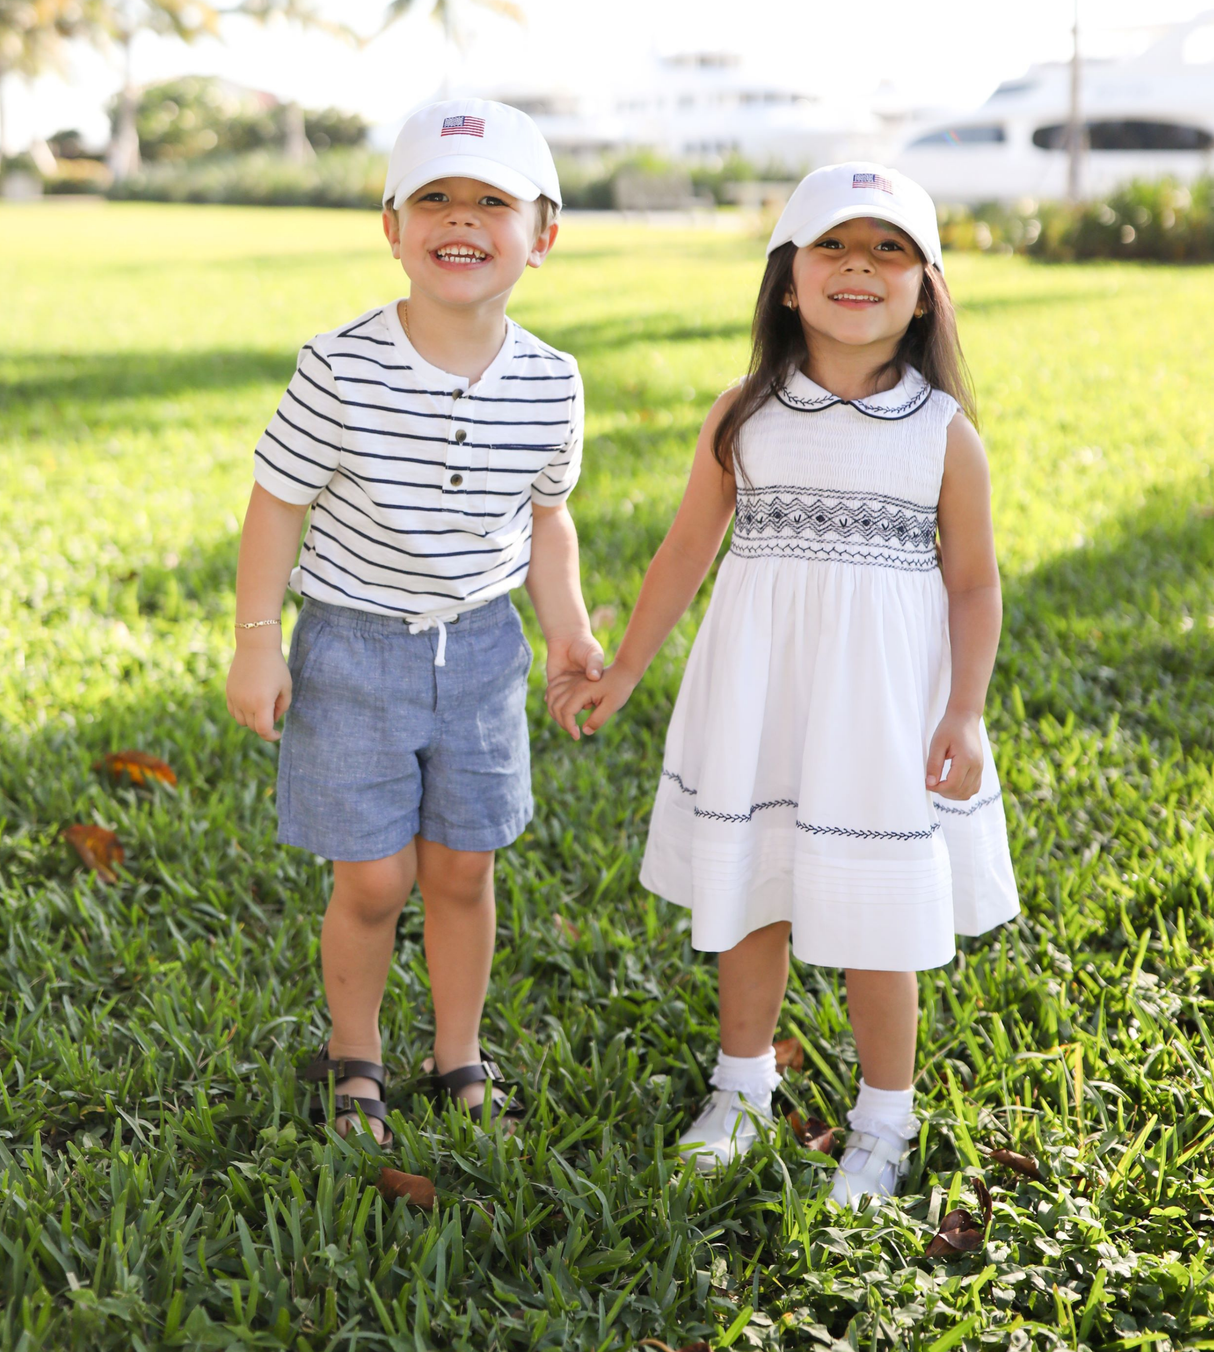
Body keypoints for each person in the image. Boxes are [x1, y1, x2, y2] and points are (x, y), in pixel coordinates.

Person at [548, 163, 1019, 1209]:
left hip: (880, 712)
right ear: (786, 283)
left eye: (888, 249)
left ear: (926, 289)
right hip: (757, 694)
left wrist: (964, 709)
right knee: (751, 889)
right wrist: (624, 667)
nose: (859, 264)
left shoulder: (942, 432)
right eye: (831, 247)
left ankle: (883, 1116)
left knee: (876, 912)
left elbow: (975, 582)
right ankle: (741, 1084)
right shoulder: (743, 413)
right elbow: (681, 553)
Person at [226, 99, 603, 1142]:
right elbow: (277, 501)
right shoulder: (338, 365)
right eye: (433, 197)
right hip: (353, 647)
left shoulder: (551, 381)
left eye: (493, 201)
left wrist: (566, 625)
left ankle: (455, 1055)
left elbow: (546, 516)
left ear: (543, 235)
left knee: (462, 867)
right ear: (391, 226)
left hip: (481, 653)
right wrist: (258, 639)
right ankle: (356, 1055)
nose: (462, 220)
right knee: (375, 875)